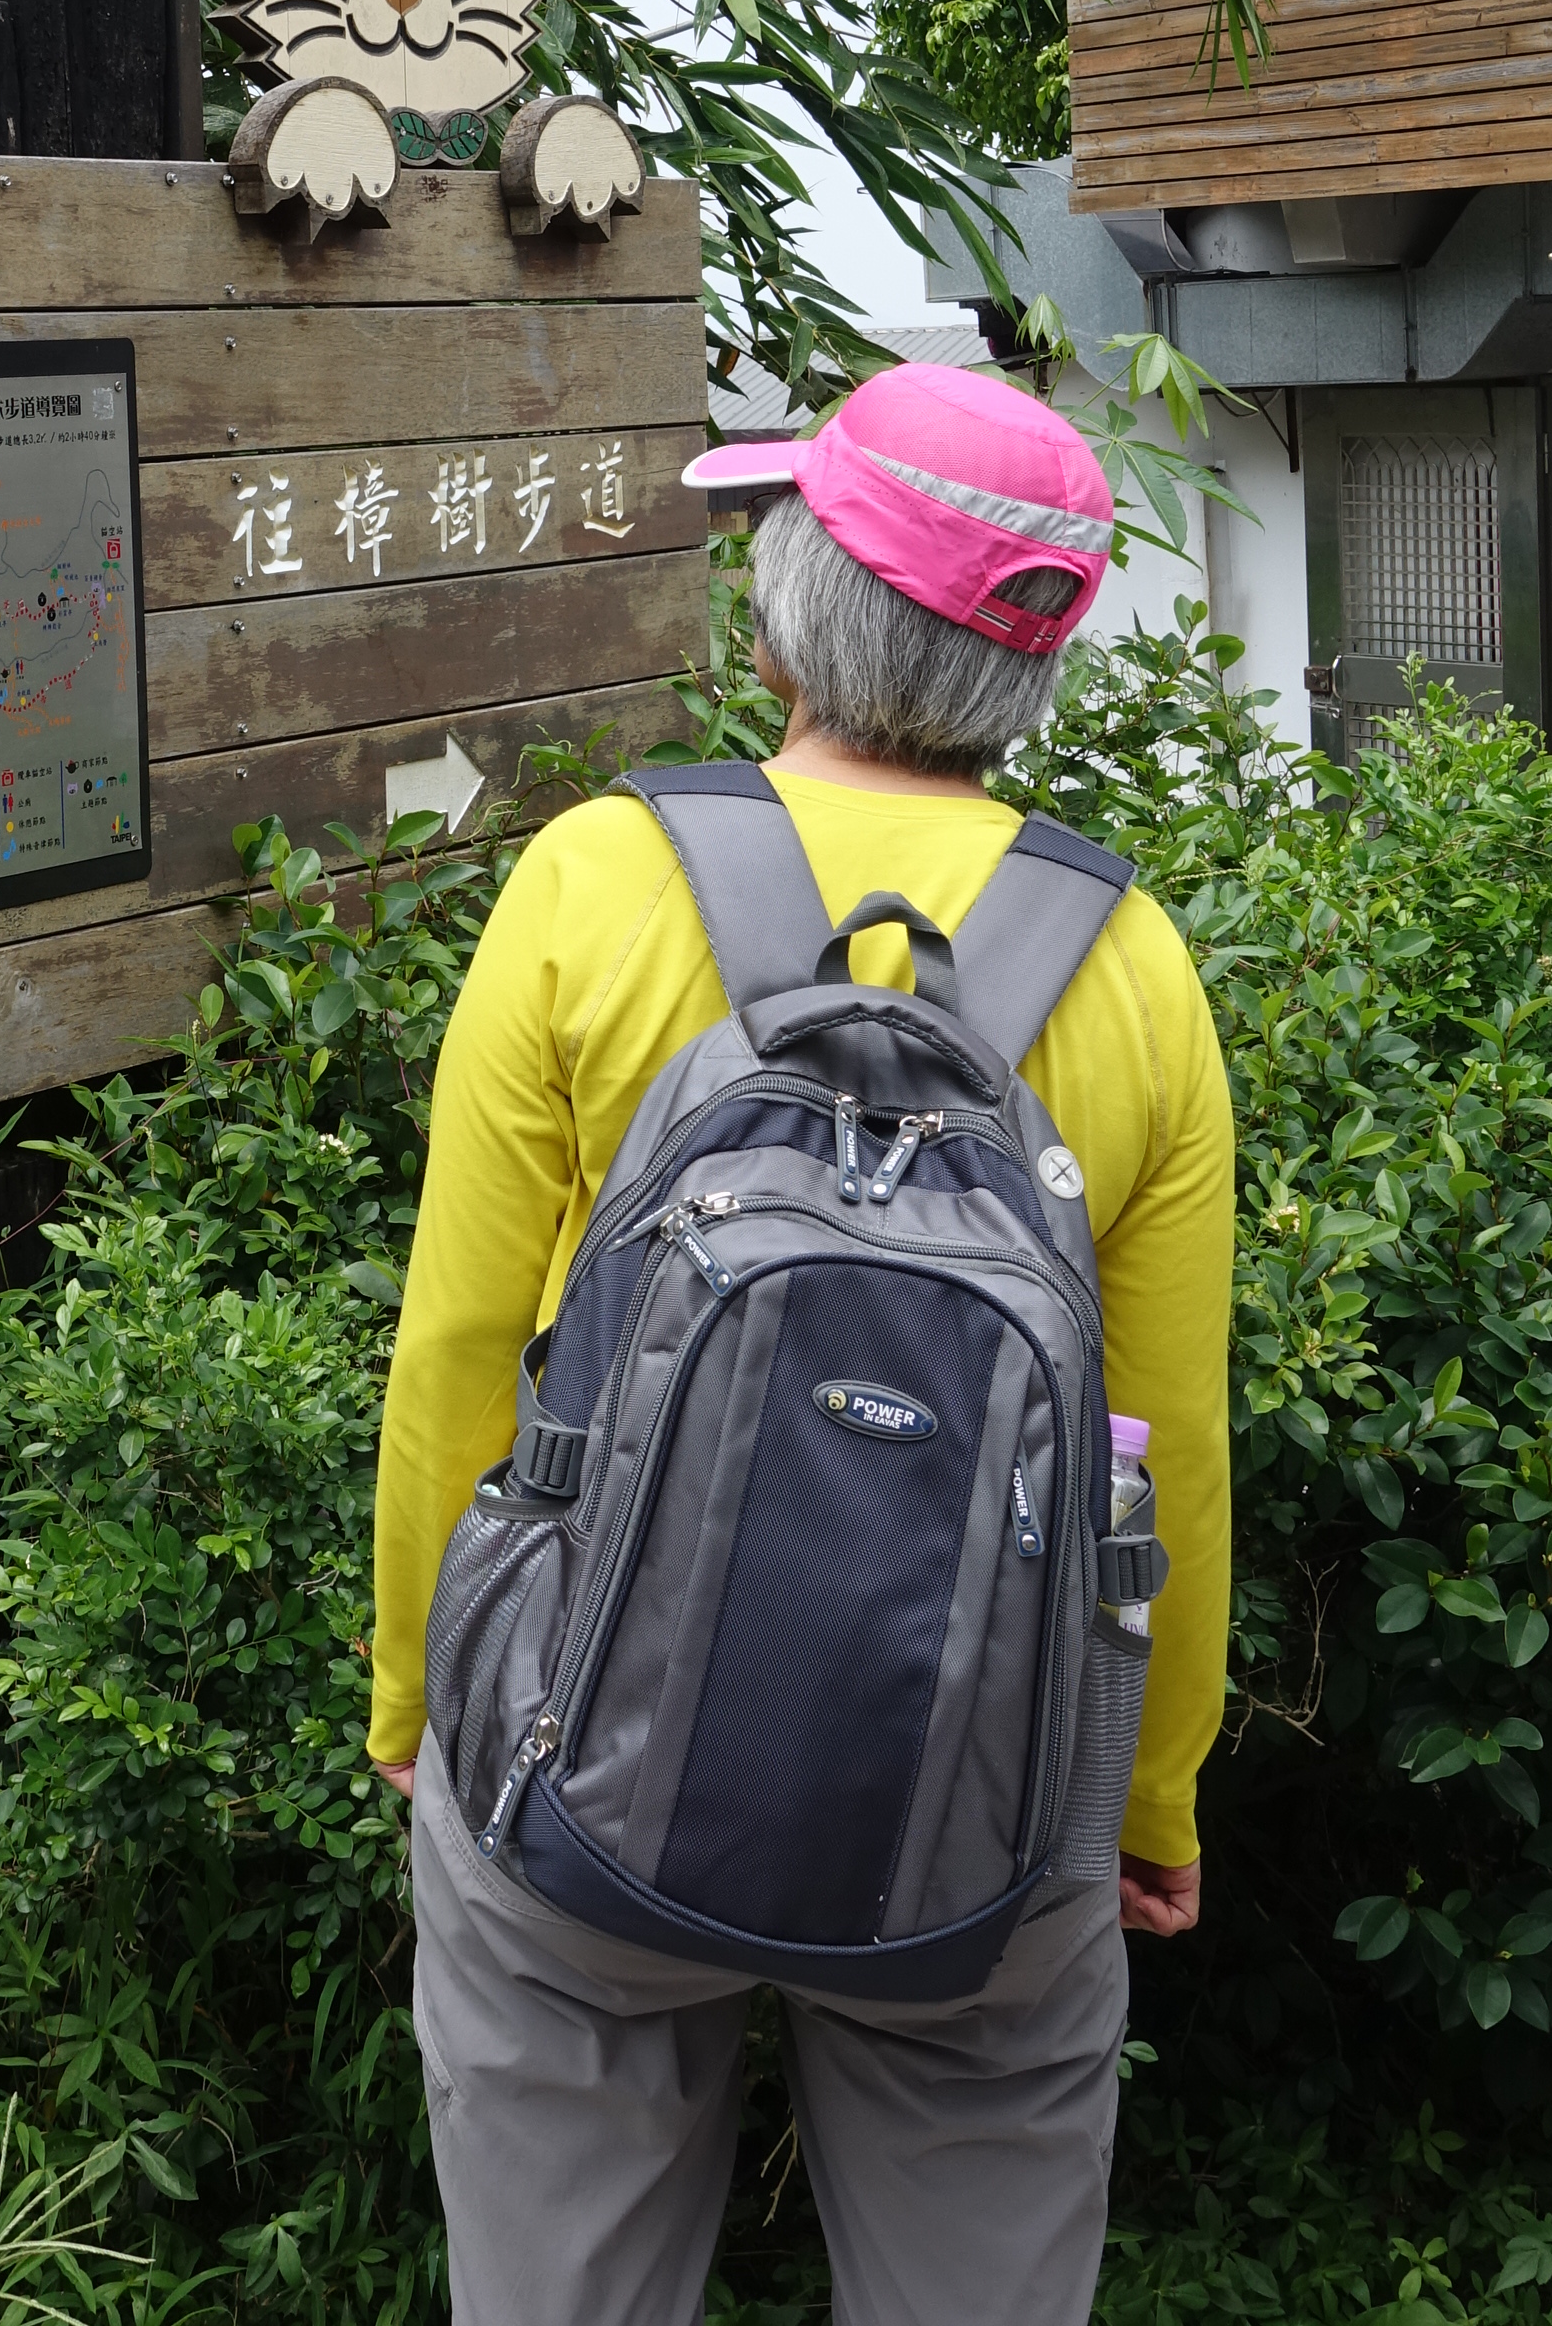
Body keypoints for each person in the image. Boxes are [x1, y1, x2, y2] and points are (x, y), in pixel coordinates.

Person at [366, 365, 1236, 2326]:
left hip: (574, 1744)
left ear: (796, 604)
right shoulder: (1135, 965)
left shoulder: (593, 882)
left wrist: (417, 1691)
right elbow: (1158, 1440)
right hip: (992, 1805)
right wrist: (1147, 1801)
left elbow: (465, 1347)